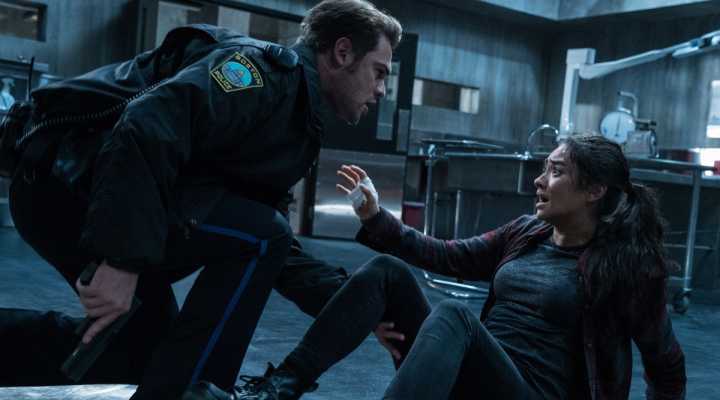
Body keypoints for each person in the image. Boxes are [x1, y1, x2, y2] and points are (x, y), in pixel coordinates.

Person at [0, 1, 401, 399]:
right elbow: (146, 125)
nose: (381, 90)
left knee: (138, 349)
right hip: (65, 180)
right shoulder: (259, 74)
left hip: (106, 194)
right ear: (343, 52)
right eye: (379, 72)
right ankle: (198, 394)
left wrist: (351, 304)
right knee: (263, 237)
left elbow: (277, 247)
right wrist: (121, 260)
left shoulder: (297, 121)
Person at [238, 134, 687, 400]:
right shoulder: (525, 232)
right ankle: (283, 386)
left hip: (529, 393)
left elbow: (665, 362)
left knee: (454, 315)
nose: (539, 180)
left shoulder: (628, 267)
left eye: (555, 171)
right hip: (476, 378)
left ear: (593, 191)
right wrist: (376, 219)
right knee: (386, 272)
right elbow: (446, 254)